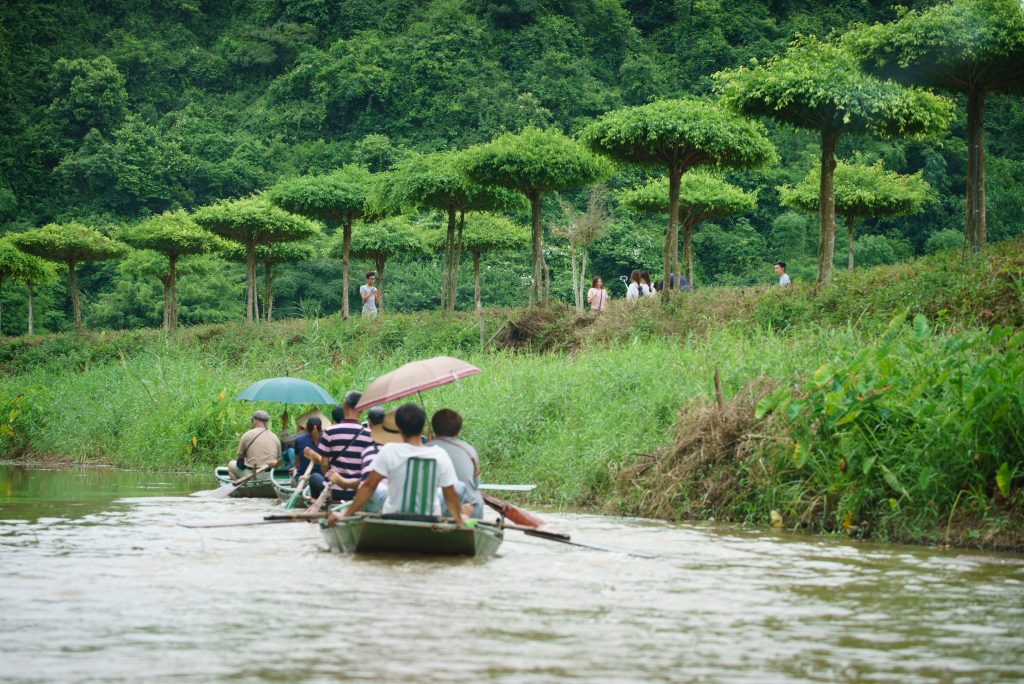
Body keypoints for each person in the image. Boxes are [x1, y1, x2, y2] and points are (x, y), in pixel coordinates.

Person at [337, 403, 465, 525]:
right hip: (430, 517)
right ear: (423, 427)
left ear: (398, 427)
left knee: (375, 487)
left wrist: (345, 515)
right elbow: (450, 495)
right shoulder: (439, 454)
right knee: (454, 487)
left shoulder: (389, 450)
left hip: (392, 515)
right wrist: (459, 521)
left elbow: (368, 487)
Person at [305, 391, 372, 502]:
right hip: (358, 492)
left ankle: (322, 505)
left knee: (314, 477)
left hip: (333, 491)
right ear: (362, 409)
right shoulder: (369, 435)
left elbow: (325, 465)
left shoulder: (330, 432)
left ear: (344, 406)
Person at [427, 408, 484, 519]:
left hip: (439, 508)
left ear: (434, 428)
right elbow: (476, 485)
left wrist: (429, 445)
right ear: (458, 430)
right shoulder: (469, 450)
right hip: (471, 507)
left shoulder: (425, 449)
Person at [227, 410, 281, 478]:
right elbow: (279, 458)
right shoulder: (275, 437)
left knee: (230, 464)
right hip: (270, 475)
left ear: (254, 421)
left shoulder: (247, 435)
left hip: (254, 474)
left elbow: (239, 460)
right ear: (267, 422)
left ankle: (239, 487)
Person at [291, 415, 324, 485]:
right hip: (321, 479)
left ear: (307, 428)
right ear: (320, 427)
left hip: (303, 479)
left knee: (294, 470)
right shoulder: (327, 441)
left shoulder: (299, 440)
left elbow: (297, 464)